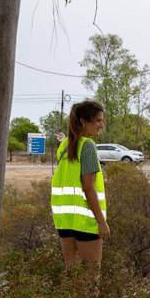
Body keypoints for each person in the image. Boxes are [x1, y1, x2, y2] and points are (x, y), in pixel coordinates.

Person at [50, 100, 109, 269]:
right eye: (98, 120)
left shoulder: (64, 145)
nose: (101, 125)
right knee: (91, 278)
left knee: (72, 275)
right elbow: (88, 187)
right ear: (83, 121)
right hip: (87, 222)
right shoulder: (88, 146)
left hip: (65, 221)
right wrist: (101, 222)